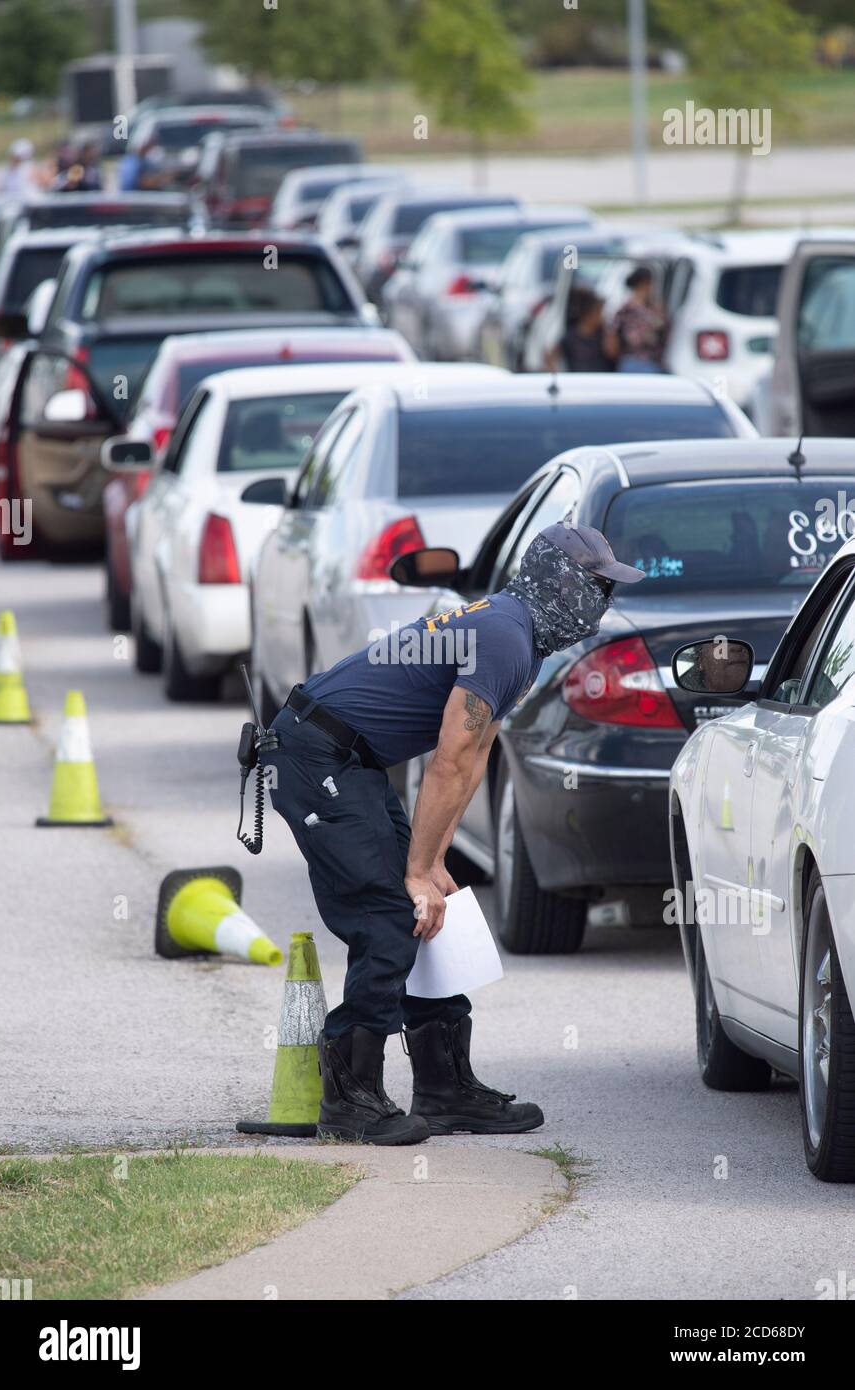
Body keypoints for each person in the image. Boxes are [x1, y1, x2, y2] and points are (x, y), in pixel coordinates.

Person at [265, 522, 646, 1144]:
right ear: (559, 582)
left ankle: (445, 1092)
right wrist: (415, 871)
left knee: (429, 912)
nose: (602, 604)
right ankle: (350, 1099)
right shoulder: (503, 634)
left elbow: (475, 754)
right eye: (595, 586)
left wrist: (435, 861)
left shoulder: (518, 636)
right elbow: (448, 757)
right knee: (389, 913)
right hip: (314, 756)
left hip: (349, 760)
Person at [611, 266, 669, 372]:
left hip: (647, 361)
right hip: (636, 362)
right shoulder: (628, 310)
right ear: (644, 283)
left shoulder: (627, 309)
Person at [561, 285, 617, 372]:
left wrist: (608, 330)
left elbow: (612, 353)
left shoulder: (602, 333)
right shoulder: (570, 336)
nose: (602, 316)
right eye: (599, 312)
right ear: (588, 314)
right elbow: (551, 355)